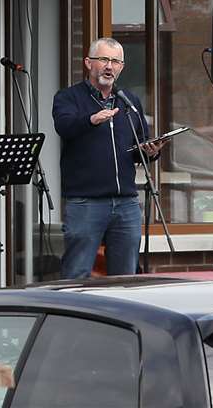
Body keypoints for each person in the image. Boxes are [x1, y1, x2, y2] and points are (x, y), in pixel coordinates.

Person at [52, 37, 160, 279]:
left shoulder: (128, 100)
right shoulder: (69, 97)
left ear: (121, 67)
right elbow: (64, 126)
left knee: (126, 277)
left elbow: (139, 143)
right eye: (103, 60)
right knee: (77, 274)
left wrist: (151, 151)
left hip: (126, 204)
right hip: (86, 202)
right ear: (89, 63)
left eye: (115, 61)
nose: (109, 66)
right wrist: (92, 120)